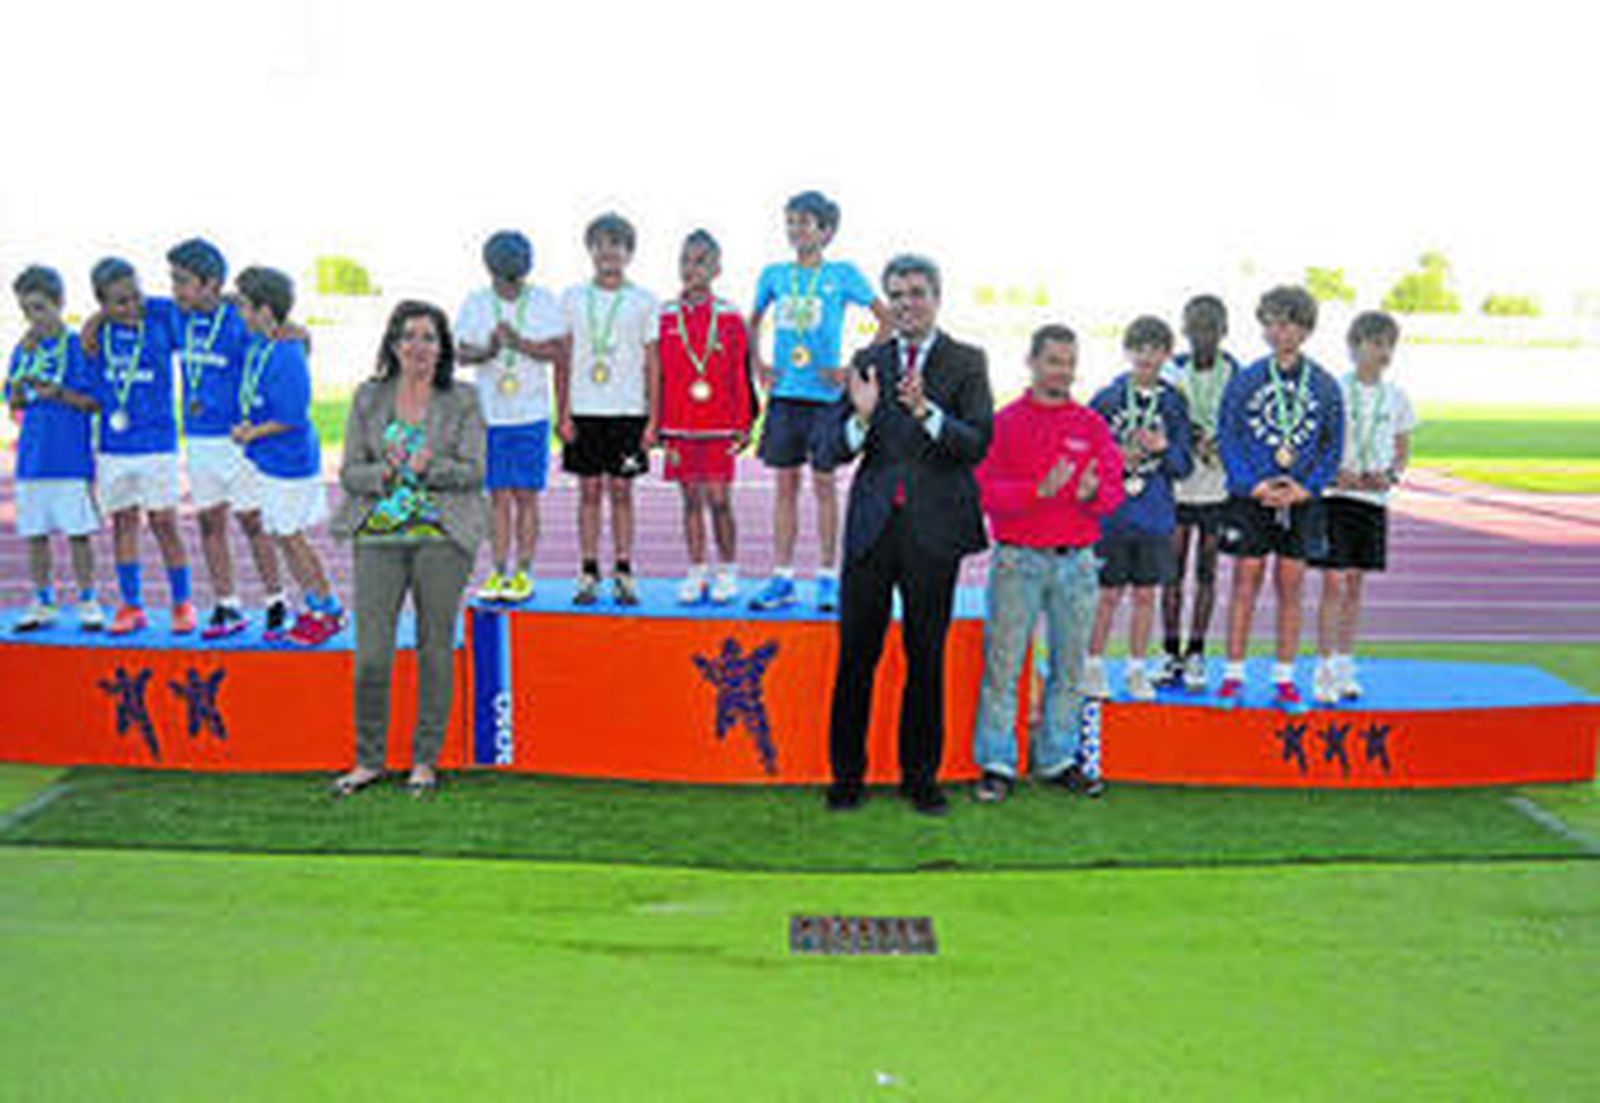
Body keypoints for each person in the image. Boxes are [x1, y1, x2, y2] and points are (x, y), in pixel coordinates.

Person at [824, 254, 993, 816]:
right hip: (872, 532)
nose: (905, 303)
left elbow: (977, 444)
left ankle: (920, 779)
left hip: (933, 533)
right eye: (895, 294)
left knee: (926, 659)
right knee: (856, 658)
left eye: (916, 292)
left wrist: (927, 412)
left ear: (936, 297)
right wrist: (861, 418)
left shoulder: (967, 361)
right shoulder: (867, 362)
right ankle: (847, 777)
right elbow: (827, 449)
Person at [329, 301, 487, 796]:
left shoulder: (463, 399)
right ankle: (368, 760)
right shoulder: (368, 397)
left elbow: (474, 471)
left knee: (434, 649)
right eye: (408, 336)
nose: (418, 347)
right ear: (393, 344)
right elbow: (350, 472)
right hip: (378, 536)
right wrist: (388, 473)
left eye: (428, 337)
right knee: (372, 655)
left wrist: (429, 468)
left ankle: (424, 761)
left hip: (443, 536)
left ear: (442, 348)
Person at [971, 324, 1123, 803]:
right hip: (1018, 560)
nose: (1064, 371)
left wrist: (1092, 494)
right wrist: (1037, 490)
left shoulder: (1091, 425)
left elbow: (1112, 491)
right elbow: (984, 491)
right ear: (1032, 362)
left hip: (1076, 563)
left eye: (1070, 362)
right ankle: (997, 762)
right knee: (1004, 664)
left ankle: (1057, 758)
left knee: (1069, 667)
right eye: (1055, 361)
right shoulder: (1004, 423)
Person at [747, 191, 889, 613]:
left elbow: (885, 319)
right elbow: (752, 320)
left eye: (805, 222)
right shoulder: (774, 274)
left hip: (825, 398)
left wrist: (852, 367)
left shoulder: (842, 274)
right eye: (791, 221)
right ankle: (782, 577)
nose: (796, 229)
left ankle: (827, 577)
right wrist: (759, 364)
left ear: (826, 231)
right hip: (785, 396)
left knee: (825, 487)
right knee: (785, 488)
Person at [1215, 285, 1344, 711]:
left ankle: (1284, 677)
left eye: (1288, 324)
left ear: (1306, 330)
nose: (1278, 331)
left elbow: (1332, 444)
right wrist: (1251, 484)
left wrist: (1307, 487)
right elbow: (1228, 435)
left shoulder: (1324, 385)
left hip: (1301, 501)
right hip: (1252, 497)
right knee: (1244, 583)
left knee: (1291, 587)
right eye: (1270, 323)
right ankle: (1233, 674)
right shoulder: (1246, 379)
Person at [165, 238, 287, 640]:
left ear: (212, 284)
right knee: (209, 523)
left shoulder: (239, 320)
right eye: (172, 280)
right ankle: (227, 603)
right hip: (199, 441)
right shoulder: (175, 315)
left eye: (183, 281)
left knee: (253, 522)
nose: (175, 289)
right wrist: (95, 322)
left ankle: (276, 600)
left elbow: (281, 341)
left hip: (238, 442)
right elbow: (127, 306)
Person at [230, 267, 344, 646]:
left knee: (292, 538)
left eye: (244, 306)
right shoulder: (261, 342)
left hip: (289, 463)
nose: (239, 313)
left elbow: (292, 416)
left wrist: (250, 433)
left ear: (264, 311)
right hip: (271, 460)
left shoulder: (287, 355)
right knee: (282, 534)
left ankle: (328, 608)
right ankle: (314, 605)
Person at [83, 258, 195, 636]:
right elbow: (90, 385)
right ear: (102, 304)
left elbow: (189, 306)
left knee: (165, 523)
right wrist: (95, 323)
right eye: (120, 302)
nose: (132, 306)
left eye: (136, 296)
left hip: (157, 443)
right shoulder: (97, 336)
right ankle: (132, 605)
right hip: (114, 446)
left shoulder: (160, 319)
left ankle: (182, 602)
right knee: (124, 524)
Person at [1084, 316, 1193, 701]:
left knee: (1146, 595)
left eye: (1155, 349)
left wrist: (1163, 448)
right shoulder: (1107, 398)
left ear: (1167, 354)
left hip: (1154, 515)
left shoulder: (1174, 403)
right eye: (1139, 348)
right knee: (1107, 595)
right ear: (1127, 351)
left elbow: (1183, 465)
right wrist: (1114, 455)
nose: (1146, 356)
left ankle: (1136, 670)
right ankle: (1092, 667)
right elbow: (1085, 454)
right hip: (1112, 516)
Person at [455, 230, 565, 604]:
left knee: (526, 497)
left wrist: (520, 344)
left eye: (515, 270)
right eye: (503, 271)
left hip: (531, 415)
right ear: (489, 268)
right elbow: (460, 353)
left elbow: (558, 351)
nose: (509, 278)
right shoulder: (476, 303)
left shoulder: (543, 301)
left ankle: (523, 572)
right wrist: (487, 350)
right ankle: (499, 570)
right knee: (497, 497)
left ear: (527, 267)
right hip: (491, 416)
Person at [555, 213, 660, 606]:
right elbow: (563, 358)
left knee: (621, 491)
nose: (607, 252)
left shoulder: (644, 301)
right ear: (590, 250)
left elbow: (653, 363)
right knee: (588, 491)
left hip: (628, 411)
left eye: (615, 244)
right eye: (599, 244)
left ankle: (624, 570)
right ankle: (587, 570)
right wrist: (562, 412)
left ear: (629, 252)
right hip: (584, 409)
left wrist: (653, 419)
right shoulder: (572, 298)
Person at [1311, 310, 1416, 704]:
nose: (1383, 351)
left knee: (1355, 585)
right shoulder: (1335, 391)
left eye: (1389, 344)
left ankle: (1345, 664)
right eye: (1375, 343)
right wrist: (1334, 474)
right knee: (1333, 582)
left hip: (1372, 500)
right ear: (1354, 347)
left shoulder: (1397, 398)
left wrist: (1390, 476)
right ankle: (1323, 667)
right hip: (1336, 499)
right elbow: (1317, 442)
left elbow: (1402, 450)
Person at [657, 230, 755, 604]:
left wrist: (743, 423)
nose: (690, 268)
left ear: (716, 269)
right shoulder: (665, 315)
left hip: (719, 424)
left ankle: (727, 570)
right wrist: (656, 422)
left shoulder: (730, 317)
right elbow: (657, 373)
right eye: (685, 260)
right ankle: (696, 569)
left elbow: (739, 373)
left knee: (719, 499)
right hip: (679, 423)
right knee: (690, 500)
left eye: (700, 261)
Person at [5, 266, 103, 631]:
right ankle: (43, 601)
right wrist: (20, 387)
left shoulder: (78, 346)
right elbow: (13, 399)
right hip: (32, 458)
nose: (33, 317)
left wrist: (57, 393)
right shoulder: (23, 348)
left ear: (60, 303)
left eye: (39, 308)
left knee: (78, 535)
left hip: (70, 459)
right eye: (26, 310)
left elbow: (94, 402)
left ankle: (88, 600)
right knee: (36, 535)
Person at [1158, 294, 1240, 690]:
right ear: (1184, 330)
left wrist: (1220, 442)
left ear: (1224, 331)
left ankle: (1196, 653)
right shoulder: (1171, 371)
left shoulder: (1237, 375)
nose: (1202, 335)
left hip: (1217, 489)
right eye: (1195, 327)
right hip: (1178, 487)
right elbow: (1160, 416)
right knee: (1171, 572)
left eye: (1211, 327)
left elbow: (1242, 426)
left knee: (1206, 572)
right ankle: (1170, 652)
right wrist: (1189, 436)